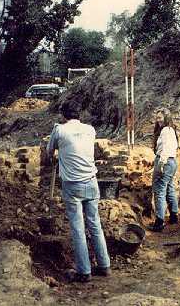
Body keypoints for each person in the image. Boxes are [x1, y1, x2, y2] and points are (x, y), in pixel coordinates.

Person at [46, 101, 110, 283]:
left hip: (72, 185)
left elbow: (49, 152)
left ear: (63, 115)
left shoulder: (59, 130)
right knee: (95, 224)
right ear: (79, 114)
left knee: (78, 228)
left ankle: (84, 271)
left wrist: (58, 154)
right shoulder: (90, 130)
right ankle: (104, 265)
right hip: (91, 182)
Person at [149, 108, 179, 232]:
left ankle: (159, 222)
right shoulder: (171, 130)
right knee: (169, 188)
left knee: (159, 191)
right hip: (172, 162)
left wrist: (161, 163)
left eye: (160, 117)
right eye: (157, 118)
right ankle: (174, 216)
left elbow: (165, 148)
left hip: (165, 161)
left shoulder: (166, 131)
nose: (158, 120)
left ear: (166, 117)